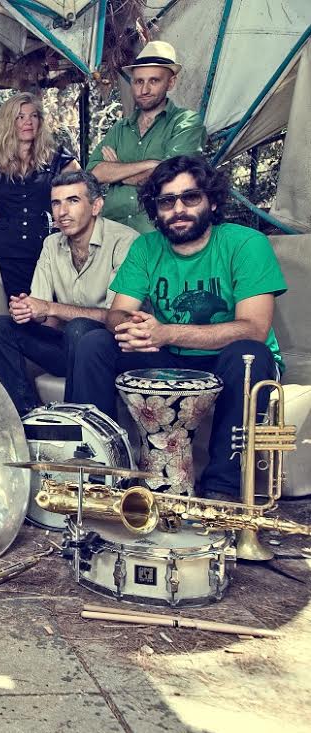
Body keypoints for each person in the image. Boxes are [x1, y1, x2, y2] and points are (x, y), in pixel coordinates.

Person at [68, 156, 286, 499]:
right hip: (170, 358)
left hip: (226, 359)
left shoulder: (246, 244)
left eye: (191, 197)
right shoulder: (146, 247)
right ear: (156, 210)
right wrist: (133, 327)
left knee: (250, 354)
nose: (178, 209)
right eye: (167, 201)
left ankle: (222, 489)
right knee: (94, 343)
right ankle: (99, 474)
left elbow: (254, 328)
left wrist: (167, 332)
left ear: (212, 201)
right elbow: (117, 313)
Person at [0, 171, 139, 414]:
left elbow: (117, 318)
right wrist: (28, 309)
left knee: (79, 328)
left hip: (107, 351)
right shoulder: (51, 244)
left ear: (96, 206)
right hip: (67, 346)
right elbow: (45, 315)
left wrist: (50, 308)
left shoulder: (124, 241)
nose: (62, 212)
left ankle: (74, 421)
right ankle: (26, 416)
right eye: (56, 203)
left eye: (73, 200)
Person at [0, 92, 79, 298]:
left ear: (40, 122)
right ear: (9, 123)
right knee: (20, 309)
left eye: (33, 116)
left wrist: (66, 217)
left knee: (52, 309)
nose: (28, 122)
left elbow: (84, 191)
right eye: (20, 117)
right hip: (8, 254)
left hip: (50, 250)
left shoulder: (58, 159)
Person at [88, 41, 205, 233]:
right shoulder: (120, 128)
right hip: (112, 232)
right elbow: (94, 174)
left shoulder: (186, 122)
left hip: (157, 233)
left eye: (154, 81)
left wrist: (118, 173)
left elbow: (171, 176)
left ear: (171, 82)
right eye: (139, 81)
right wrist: (151, 165)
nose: (144, 90)